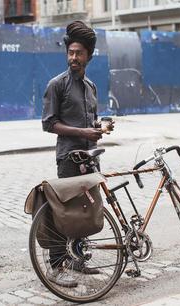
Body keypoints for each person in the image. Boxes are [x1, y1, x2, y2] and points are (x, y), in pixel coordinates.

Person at [41, 20, 114, 287]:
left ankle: (76, 260)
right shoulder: (56, 85)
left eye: (79, 53)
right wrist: (84, 133)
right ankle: (56, 266)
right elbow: (48, 124)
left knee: (85, 211)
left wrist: (100, 127)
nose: (73, 57)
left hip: (90, 159)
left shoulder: (91, 87)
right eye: (70, 52)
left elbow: (91, 121)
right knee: (65, 212)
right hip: (68, 158)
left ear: (89, 56)